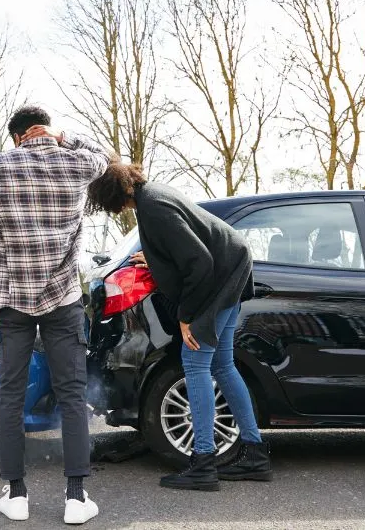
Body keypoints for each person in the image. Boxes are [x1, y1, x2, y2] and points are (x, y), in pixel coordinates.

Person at [0, 105, 108, 524]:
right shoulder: (76, 161)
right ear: (47, 131)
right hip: (62, 297)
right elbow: (107, 158)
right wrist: (67, 138)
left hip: (11, 297)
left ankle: (16, 494)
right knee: (72, 396)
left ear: (16, 136)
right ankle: (76, 496)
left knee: (12, 396)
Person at [86, 161, 272, 491]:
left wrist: (187, 317)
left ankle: (203, 463)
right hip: (232, 267)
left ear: (110, 195)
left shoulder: (153, 207)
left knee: (195, 363)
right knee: (223, 365)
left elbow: (199, 263)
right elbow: (184, 247)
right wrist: (155, 259)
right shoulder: (153, 195)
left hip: (218, 277)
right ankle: (256, 454)